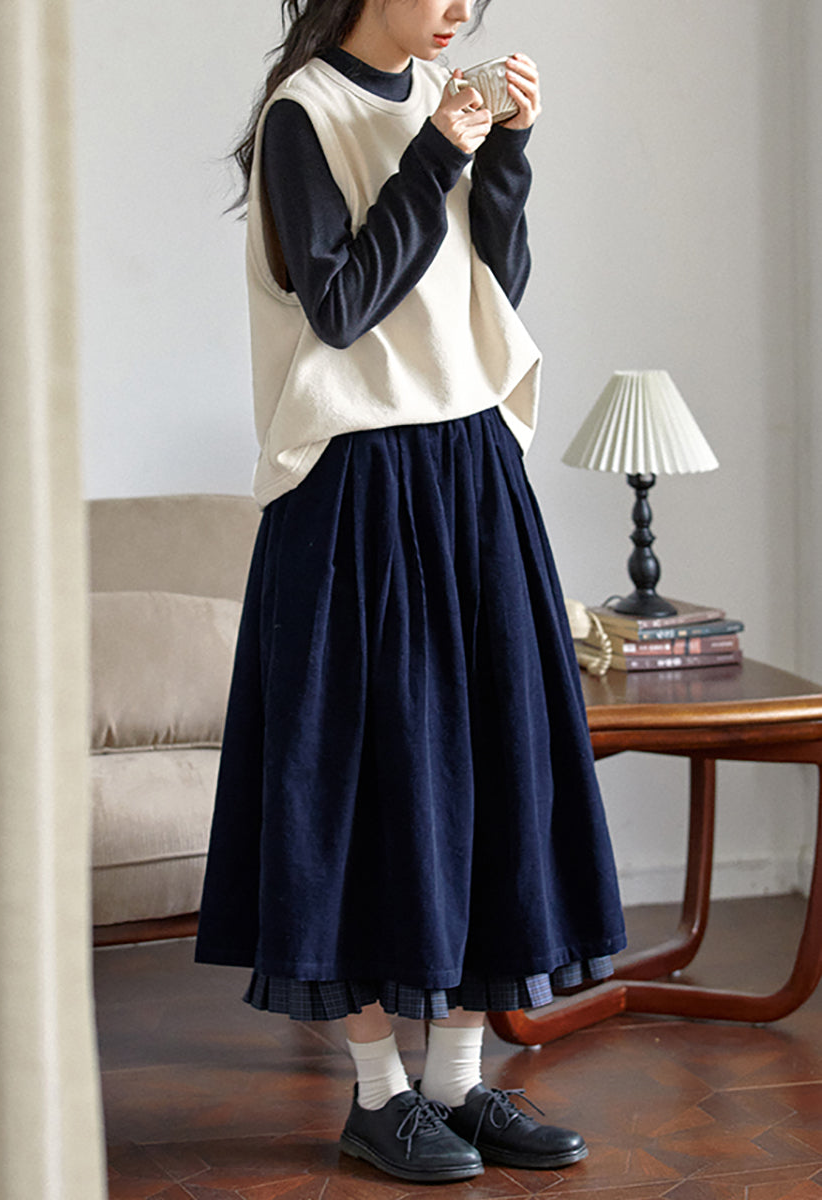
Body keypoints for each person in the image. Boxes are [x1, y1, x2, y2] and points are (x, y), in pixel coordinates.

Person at [196, 0, 626, 1184]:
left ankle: (456, 1086)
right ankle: (378, 1093)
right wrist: (439, 153)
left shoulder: (446, 101)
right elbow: (341, 306)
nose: (458, 9)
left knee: (491, 763)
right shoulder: (304, 116)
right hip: (356, 481)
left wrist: (508, 151)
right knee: (360, 780)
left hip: (472, 465)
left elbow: (494, 285)